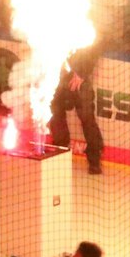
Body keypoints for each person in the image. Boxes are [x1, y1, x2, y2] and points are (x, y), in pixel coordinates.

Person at [48, 45, 104, 174]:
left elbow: (95, 49)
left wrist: (81, 74)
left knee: (87, 119)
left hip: (79, 79)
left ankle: (94, 161)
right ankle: (60, 153)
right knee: (56, 113)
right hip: (57, 77)